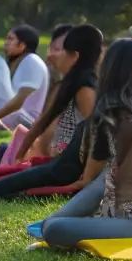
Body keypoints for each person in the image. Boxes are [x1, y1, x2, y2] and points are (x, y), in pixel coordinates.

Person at [41, 38, 132, 248]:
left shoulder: (126, 116)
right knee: (50, 225)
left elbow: (127, 182)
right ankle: (54, 223)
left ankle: (55, 224)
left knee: (53, 229)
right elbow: (104, 179)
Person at [14, 24, 102, 161]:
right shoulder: (67, 85)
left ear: (74, 56)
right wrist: (18, 157)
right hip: (52, 163)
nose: (51, 55)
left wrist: (85, 179)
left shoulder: (85, 90)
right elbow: (42, 122)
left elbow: (95, 136)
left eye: (60, 50)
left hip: (66, 168)